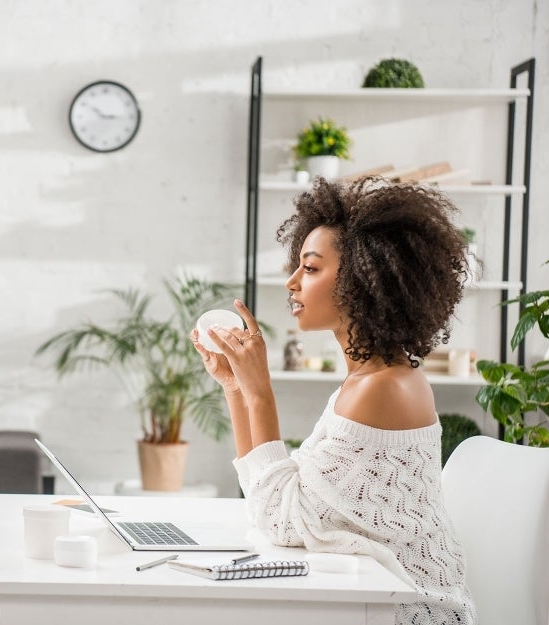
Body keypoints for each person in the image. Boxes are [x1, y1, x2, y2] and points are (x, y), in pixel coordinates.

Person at [192, 177, 476, 624]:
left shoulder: (382, 390)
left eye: (310, 268)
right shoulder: (367, 381)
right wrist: (236, 388)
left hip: (407, 614)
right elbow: (271, 498)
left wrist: (260, 390)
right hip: (369, 603)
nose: (291, 282)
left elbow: (281, 522)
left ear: (363, 279)